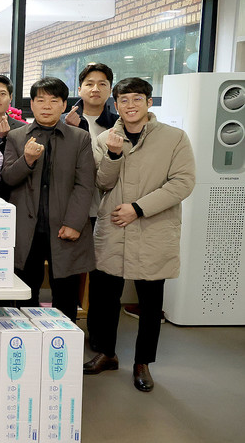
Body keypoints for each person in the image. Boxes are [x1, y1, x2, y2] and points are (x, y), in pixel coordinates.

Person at [83, 78, 195, 393]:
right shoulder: (105, 138)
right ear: (115, 104)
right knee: (105, 297)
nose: (130, 105)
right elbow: (102, 183)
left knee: (150, 301)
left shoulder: (174, 138)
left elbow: (183, 182)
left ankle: (142, 363)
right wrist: (113, 155)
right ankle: (107, 353)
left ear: (148, 102)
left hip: (153, 228)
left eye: (137, 98)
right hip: (113, 228)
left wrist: (138, 208)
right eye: (124, 99)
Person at [1, 77, 96, 321]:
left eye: (54, 101)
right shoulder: (16, 137)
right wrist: (27, 160)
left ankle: (63, 341)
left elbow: (85, 185)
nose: (46, 106)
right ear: (31, 104)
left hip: (64, 227)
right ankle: (24, 340)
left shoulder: (80, 138)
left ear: (64, 105)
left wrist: (74, 223)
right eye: (40, 100)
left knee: (65, 294)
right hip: (26, 229)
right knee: (25, 293)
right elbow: (8, 178)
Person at [63, 63, 119, 225]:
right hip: (71, 207)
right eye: (89, 84)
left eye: (102, 84)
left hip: (110, 208)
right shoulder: (63, 121)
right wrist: (70, 131)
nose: (95, 89)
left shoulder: (118, 124)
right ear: (79, 90)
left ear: (110, 90)